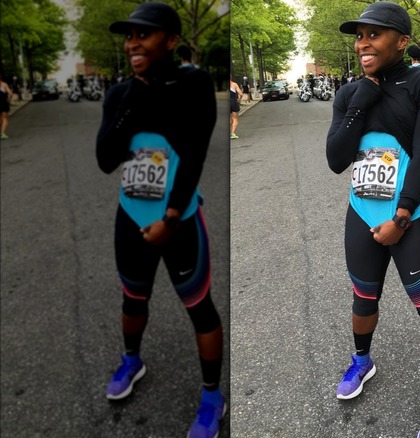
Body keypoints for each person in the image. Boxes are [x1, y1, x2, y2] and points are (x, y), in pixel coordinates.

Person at [96, 3, 225, 437]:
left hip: (179, 218)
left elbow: (194, 155)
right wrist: (132, 98)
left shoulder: (192, 84)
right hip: (131, 215)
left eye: (144, 34)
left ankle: (212, 398)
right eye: (129, 36)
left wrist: (170, 218)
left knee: (199, 307)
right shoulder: (120, 93)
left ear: (171, 41)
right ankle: (132, 360)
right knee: (133, 298)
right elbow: (105, 159)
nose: (133, 43)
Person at [327, 3, 420, 437]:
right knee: (363, 298)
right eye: (359, 36)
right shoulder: (349, 92)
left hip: (408, 216)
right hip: (361, 213)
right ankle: (362, 362)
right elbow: (336, 159)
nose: (363, 43)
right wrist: (360, 101)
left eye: (374, 34)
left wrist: (401, 218)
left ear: (402, 41)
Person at [0, 74, 12, 140]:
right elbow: (10, 93)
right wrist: (9, 100)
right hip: (3, 103)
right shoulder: (4, 84)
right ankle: (2, 133)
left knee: (1, 118)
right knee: (4, 118)